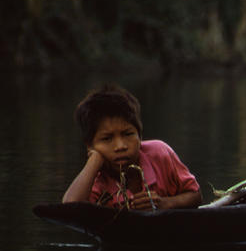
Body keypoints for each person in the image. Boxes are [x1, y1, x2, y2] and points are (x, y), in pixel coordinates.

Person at [63, 84, 202, 209]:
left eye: (128, 134)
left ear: (140, 136)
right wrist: (94, 160)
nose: (120, 146)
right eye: (107, 139)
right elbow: (69, 209)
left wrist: (165, 203)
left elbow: (195, 195)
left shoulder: (159, 153)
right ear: (90, 146)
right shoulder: (95, 179)